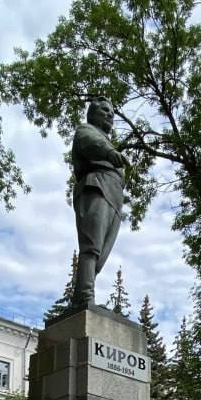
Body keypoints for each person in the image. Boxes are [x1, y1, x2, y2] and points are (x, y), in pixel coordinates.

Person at [71, 98, 125, 306]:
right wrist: (110, 153)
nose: (110, 115)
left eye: (112, 112)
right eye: (104, 110)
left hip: (114, 195)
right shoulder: (86, 130)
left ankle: (80, 296)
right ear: (92, 114)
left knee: (101, 254)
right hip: (97, 186)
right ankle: (85, 296)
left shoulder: (107, 141)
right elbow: (92, 144)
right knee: (92, 246)